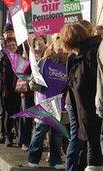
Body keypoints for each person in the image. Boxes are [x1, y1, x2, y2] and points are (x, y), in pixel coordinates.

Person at [60, 22, 103, 170]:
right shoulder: (73, 56)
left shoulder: (92, 52)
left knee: (93, 146)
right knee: (83, 143)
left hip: (94, 110)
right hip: (79, 109)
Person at [27, 39, 67, 170]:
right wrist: (35, 83)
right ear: (53, 47)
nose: (61, 49)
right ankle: (33, 159)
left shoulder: (68, 64)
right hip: (44, 103)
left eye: (63, 47)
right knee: (40, 133)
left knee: (57, 136)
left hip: (60, 106)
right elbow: (32, 81)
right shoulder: (44, 61)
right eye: (58, 46)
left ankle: (55, 160)